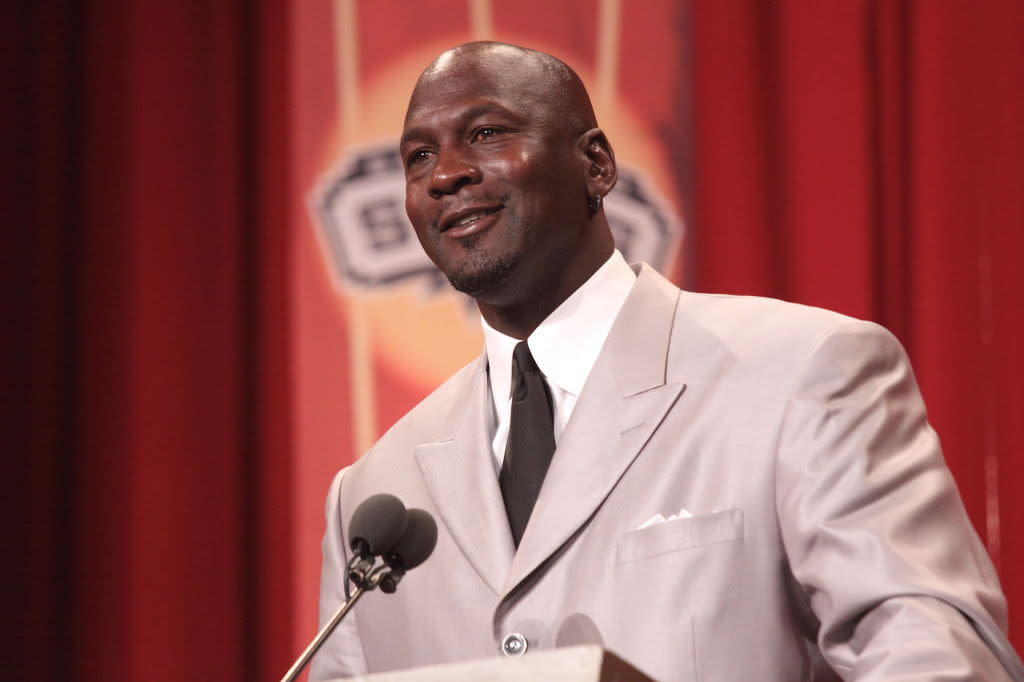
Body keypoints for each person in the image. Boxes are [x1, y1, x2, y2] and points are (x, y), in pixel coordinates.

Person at [310, 42, 1023, 681]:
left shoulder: (803, 372)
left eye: (487, 133)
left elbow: (937, 655)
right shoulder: (375, 496)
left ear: (597, 164)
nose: (448, 175)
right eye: (418, 158)